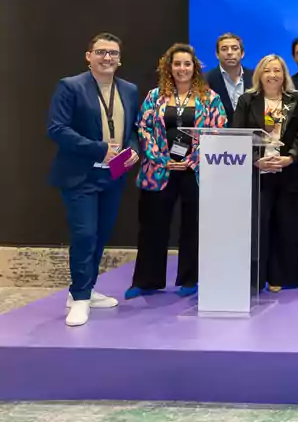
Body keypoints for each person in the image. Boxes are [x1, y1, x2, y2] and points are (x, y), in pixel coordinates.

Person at [47, 33, 141, 327]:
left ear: (120, 59)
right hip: (79, 175)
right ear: (89, 56)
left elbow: (134, 129)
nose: (107, 57)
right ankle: (79, 298)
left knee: (100, 235)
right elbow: (57, 129)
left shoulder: (129, 89)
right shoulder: (70, 86)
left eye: (113, 53)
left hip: (112, 175)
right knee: (84, 235)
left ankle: (86, 289)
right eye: (101, 52)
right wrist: (100, 148)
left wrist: (133, 152)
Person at [128, 43, 227, 299]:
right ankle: (146, 281)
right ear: (168, 67)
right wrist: (161, 158)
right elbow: (143, 128)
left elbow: (217, 130)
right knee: (152, 226)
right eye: (177, 64)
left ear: (194, 67)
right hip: (159, 170)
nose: (182, 68)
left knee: (193, 226)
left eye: (187, 64)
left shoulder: (210, 98)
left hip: (196, 171)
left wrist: (192, 159)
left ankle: (190, 279)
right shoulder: (154, 96)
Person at [231, 54, 298, 292]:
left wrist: (291, 157)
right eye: (267, 70)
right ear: (259, 74)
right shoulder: (247, 100)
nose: (272, 75)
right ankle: (256, 277)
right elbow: (238, 133)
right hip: (258, 175)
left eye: (277, 70)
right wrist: (256, 161)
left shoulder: (295, 100)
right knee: (259, 226)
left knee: (286, 226)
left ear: (284, 74)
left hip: (289, 173)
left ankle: (282, 276)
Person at [204, 32, 251, 119]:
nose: (229, 52)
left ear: (242, 53)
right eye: (224, 49)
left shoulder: (255, 78)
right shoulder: (206, 79)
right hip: (218, 132)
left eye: (234, 48)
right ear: (217, 54)